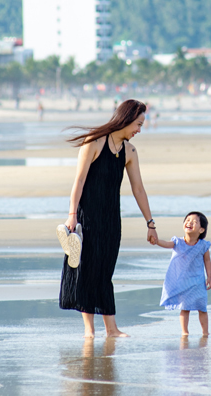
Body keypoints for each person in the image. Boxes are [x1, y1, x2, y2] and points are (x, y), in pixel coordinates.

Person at [59, 99, 158, 338]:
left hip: (112, 220)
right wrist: (72, 215)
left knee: (105, 271)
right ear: (126, 119)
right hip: (88, 217)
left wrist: (150, 223)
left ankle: (111, 329)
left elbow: (139, 189)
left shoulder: (130, 152)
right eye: (138, 124)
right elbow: (79, 181)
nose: (139, 130)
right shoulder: (93, 143)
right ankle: (89, 330)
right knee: (86, 269)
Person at [155, 212, 211, 336]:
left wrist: (209, 277)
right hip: (183, 282)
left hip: (198, 282)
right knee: (185, 308)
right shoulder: (178, 242)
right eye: (187, 220)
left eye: (194, 222)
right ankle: (185, 332)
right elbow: (166, 244)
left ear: (201, 229)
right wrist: (157, 241)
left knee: (202, 308)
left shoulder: (203, 245)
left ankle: (205, 332)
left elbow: (207, 260)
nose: (189, 222)